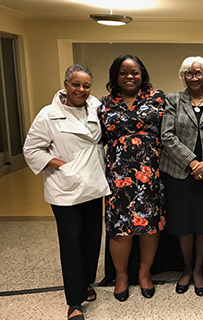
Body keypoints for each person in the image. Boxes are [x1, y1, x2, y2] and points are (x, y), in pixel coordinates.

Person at [23, 65, 110, 320]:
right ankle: (74, 302)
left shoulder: (96, 107)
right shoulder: (49, 115)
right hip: (65, 188)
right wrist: (64, 166)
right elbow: (32, 150)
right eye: (75, 84)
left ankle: (85, 283)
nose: (80, 90)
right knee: (71, 241)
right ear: (65, 84)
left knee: (92, 237)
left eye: (85, 85)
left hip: (93, 184)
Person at [98, 54, 166, 302]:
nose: (130, 77)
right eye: (124, 72)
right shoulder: (105, 103)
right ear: (115, 76)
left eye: (135, 72)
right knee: (120, 228)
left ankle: (144, 273)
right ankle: (122, 276)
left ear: (142, 74)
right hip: (118, 175)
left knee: (149, 224)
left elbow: (168, 132)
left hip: (150, 173)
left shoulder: (157, 98)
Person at [160, 56, 203, 297]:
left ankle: (199, 270)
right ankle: (187, 269)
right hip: (180, 173)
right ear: (183, 76)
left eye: (198, 73)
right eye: (189, 73)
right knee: (184, 226)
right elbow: (167, 136)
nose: (194, 77)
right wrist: (192, 162)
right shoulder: (172, 100)